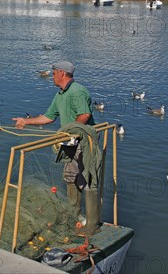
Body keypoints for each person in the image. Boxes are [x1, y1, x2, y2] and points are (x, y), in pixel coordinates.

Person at [12, 60, 101, 236]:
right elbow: (48, 117)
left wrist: (71, 130)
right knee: (69, 176)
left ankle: (92, 224)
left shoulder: (77, 91)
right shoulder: (60, 94)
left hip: (82, 140)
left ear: (61, 73)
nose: (51, 76)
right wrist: (26, 121)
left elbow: (85, 114)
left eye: (53, 73)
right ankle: (74, 215)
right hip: (68, 140)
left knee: (88, 178)